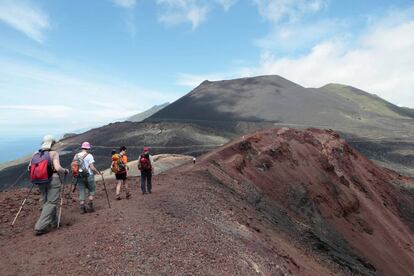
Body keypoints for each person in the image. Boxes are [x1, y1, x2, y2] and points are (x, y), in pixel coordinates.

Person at [30, 135, 69, 235]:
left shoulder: (35, 154)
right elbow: (58, 168)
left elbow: (29, 168)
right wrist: (65, 171)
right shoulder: (53, 153)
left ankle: (53, 222)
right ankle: (40, 227)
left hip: (40, 181)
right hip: (53, 180)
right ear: (52, 143)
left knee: (47, 201)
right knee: (51, 202)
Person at [73, 142, 102, 214]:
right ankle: (90, 206)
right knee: (92, 190)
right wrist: (98, 172)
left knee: (82, 191)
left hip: (79, 177)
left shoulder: (76, 155)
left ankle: (82, 208)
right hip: (89, 175)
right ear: (88, 148)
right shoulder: (89, 156)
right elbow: (91, 167)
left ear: (82, 147)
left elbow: (74, 166)